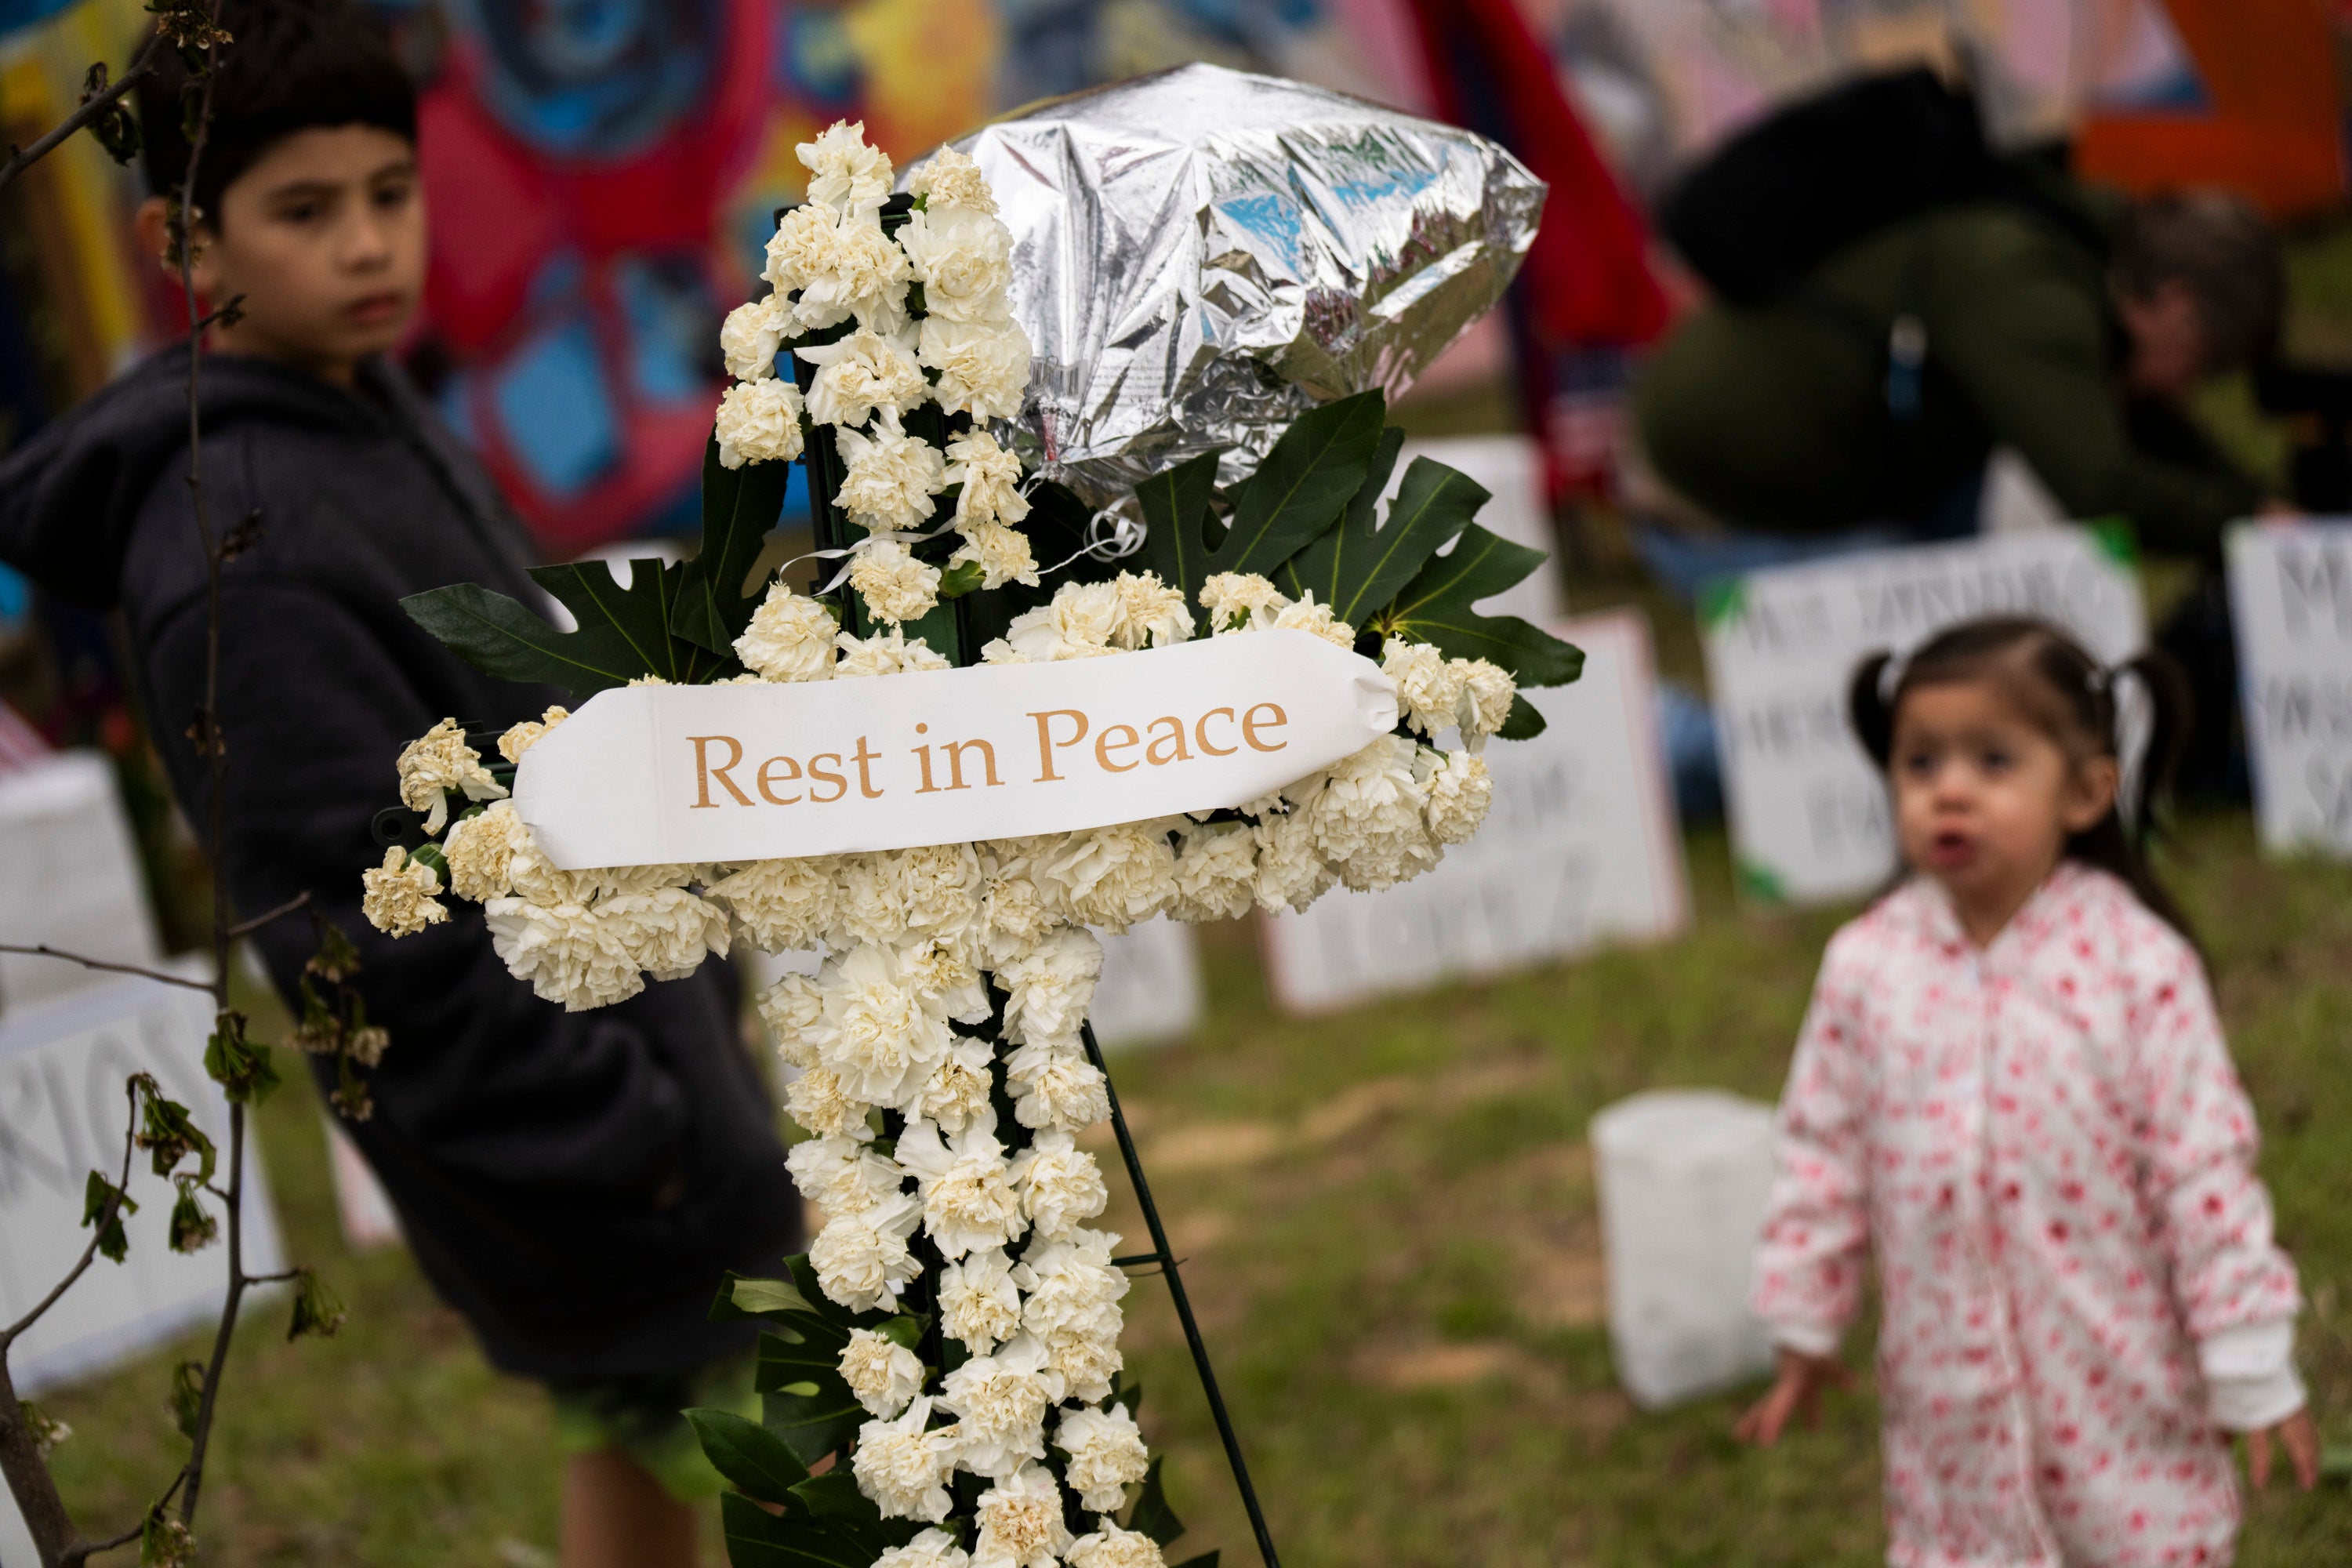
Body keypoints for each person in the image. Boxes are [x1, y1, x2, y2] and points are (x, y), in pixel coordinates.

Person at [0, 5, 797, 1563]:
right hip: (591, 1151)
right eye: (304, 212)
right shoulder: (238, 544)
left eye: (391, 191)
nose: (367, 244)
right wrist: (629, 1132)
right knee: (826, 1474)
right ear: (180, 239)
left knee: (640, 1458)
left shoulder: (355, 409)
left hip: (644, 1097)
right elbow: (361, 936)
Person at [1735, 616, 2317, 1566]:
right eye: (1922, 762)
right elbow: (1822, 1149)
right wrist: (1803, 1308)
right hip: (1950, 1400)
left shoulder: (2138, 966)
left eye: (1993, 759)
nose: (1949, 788)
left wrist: (2249, 1356)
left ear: (2086, 790)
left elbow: (2202, 1171)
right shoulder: (1867, 964)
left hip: (2118, 1385)